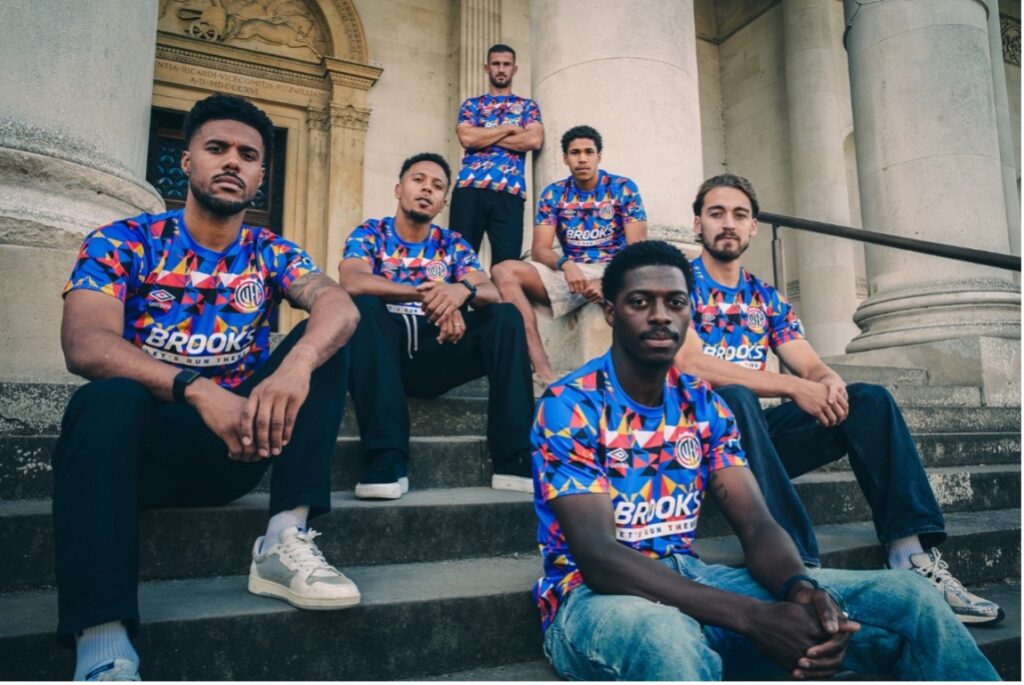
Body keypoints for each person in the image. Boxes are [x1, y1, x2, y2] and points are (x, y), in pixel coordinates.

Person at [532, 240, 999, 681]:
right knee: (667, 637)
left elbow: (756, 524)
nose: (660, 315)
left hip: (691, 576)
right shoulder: (570, 403)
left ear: (690, 313)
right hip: (591, 598)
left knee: (910, 598)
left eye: (675, 302)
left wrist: (799, 588)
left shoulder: (703, 404)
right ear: (611, 312)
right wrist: (756, 618)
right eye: (639, 302)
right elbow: (599, 557)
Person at [56, 94, 361, 681]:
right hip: (139, 453)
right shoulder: (124, 240)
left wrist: (296, 364)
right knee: (104, 398)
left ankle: (283, 538)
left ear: (261, 175)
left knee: (327, 339)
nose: (232, 162)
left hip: (237, 449)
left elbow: (339, 305)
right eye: (217, 148)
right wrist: (197, 389)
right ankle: (103, 641)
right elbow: (85, 344)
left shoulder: (270, 251)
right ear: (187, 160)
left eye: (247, 155)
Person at [674, 173, 1003, 625]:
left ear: (753, 226)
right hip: (691, 447)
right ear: (697, 224)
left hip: (754, 444)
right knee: (734, 397)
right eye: (716, 213)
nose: (728, 223)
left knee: (869, 401)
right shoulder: (678, 284)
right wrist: (793, 387)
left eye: (739, 214)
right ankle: (798, 569)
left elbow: (809, 363)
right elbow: (691, 364)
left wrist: (827, 382)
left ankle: (910, 555)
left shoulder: (764, 297)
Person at [339, 152, 534, 497]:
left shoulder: (452, 243)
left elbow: (489, 289)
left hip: (438, 351)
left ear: (443, 202)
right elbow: (352, 280)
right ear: (399, 189)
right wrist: (428, 294)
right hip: (386, 356)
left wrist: (460, 291)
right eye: (418, 180)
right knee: (364, 305)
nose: (427, 189)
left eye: (437, 186)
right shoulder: (371, 232)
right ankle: (386, 456)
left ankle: (514, 456)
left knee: (505, 316)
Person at [492, 125, 647, 390]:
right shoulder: (554, 193)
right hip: (571, 273)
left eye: (589, 152)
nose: (582, 159)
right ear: (565, 158)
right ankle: (542, 368)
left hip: (613, 268)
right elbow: (540, 249)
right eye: (575, 153)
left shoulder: (623, 188)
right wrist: (566, 264)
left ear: (599, 156)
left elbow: (638, 250)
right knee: (502, 271)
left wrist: (608, 282)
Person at [449, 43, 543, 265]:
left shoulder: (527, 106)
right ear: (486, 68)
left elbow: (533, 140)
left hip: (510, 191)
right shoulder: (472, 105)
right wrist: (508, 128)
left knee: (507, 266)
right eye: (496, 64)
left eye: (506, 64)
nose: (501, 69)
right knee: (460, 261)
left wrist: (484, 135)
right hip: (470, 188)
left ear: (514, 69)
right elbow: (467, 138)